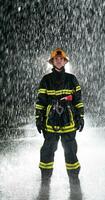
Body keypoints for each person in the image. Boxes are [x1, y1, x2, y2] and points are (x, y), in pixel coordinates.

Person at [35, 48, 84, 185]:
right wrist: (38, 118)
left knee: (70, 150)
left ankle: (74, 178)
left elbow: (78, 100)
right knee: (48, 149)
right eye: (56, 59)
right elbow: (41, 101)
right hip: (51, 120)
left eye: (61, 59)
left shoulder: (72, 79)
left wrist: (80, 116)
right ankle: (45, 178)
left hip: (69, 120)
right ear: (52, 61)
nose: (58, 60)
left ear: (64, 61)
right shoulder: (46, 80)